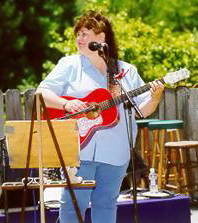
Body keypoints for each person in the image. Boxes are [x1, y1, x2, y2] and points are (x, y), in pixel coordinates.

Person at [36, 11, 164, 223]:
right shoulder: (69, 65)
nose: (79, 38)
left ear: (102, 38)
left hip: (116, 151)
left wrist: (156, 97)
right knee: (73, 206)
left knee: (106, 205)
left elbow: (142, 110)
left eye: (85, 34)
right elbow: (41, 94)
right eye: (78, 33)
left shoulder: (125, 71)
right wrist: (67, 103)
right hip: (79, 149)